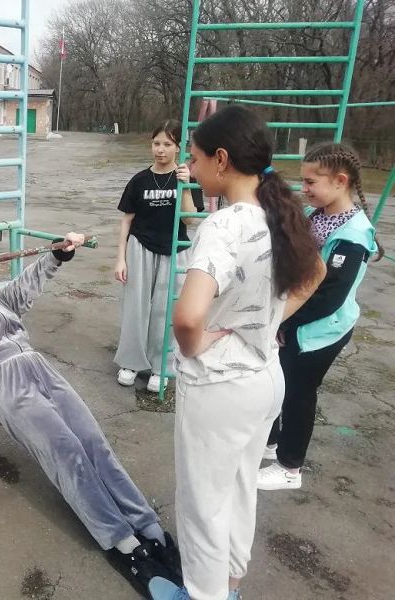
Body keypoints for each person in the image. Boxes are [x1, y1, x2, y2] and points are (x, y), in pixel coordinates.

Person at [148, 106, 325, 600]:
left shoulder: (224, 227)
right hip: (265, 378)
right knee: (241, 488)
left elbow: (188, 318)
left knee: (203, 502)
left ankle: (202, 595)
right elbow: (315, 274)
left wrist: (197, 343)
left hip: (220, 387)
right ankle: (229, 586)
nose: (190, 165)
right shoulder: (279, 212)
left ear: (221, 160)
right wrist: (267, 321)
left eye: (195, 157)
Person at [0, 235, 181, 596]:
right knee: (67, 454)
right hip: (8, 384)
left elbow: (29, 282)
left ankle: (148, 527)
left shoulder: (2, 301)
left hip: (42, 370)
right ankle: (122, 541)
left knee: (94, 443)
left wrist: (58, 253)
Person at [258, 143, 379, 491]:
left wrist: (284, 322)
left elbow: (329, 298)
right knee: (279, 384)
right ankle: (271, 441)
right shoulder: (319, 214)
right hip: (297, 322)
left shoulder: (352, 235)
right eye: (303, 180)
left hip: (320, 331)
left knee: (299, 393)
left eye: (311, 182)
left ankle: (289, 467)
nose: (305, 188)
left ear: (340, 181)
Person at [114, 120, 204, 393]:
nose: (161, 150)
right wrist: (121, 258)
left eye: (167, 144)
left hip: (174, 250)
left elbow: (190, 220)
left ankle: (160, 366)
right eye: (156, 143)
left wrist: (185, 184)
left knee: (166, 310)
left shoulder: (187, 179)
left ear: (178, 147)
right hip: (140, 247)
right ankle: (130, 362)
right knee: (136, 307)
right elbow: (127, 221)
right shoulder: (139, 180)